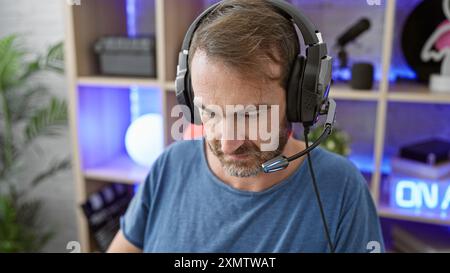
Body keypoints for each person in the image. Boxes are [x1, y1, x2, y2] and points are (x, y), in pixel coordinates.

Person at [107, 0, 384, 253]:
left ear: (298, 98)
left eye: (250, 115)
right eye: (210, 112)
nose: (228, 144)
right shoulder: (170, 166)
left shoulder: (342, 189)